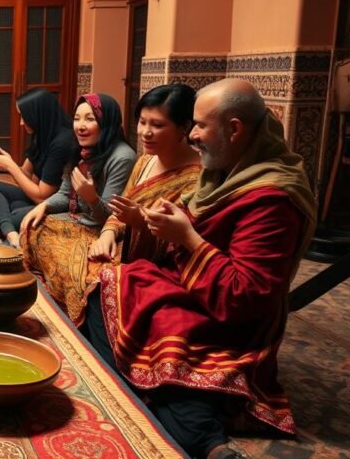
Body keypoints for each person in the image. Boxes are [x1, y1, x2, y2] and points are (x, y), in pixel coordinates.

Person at [83, 79, 317, 459]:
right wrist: (163, 227)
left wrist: (188, 239)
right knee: (108, 285)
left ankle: (201, 436)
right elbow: (189, 229)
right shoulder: (226, 170)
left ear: (235, 129)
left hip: (230, 321)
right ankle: (151, 392)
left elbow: (245, 297)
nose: (192, 136)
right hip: (193, 286)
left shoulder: (271, 197)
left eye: (199, 126)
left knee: (145, 319)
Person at [41, 85, 202, 325]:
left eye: (157, 125)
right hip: (116, 240)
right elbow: (120, 207)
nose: (145, 132)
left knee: (90, 276)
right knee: (43, 230)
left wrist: (134, 220)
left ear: (184, 128)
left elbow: (177, 243)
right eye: (142, 122)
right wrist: (107, 233)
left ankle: (88, 327)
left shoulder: (196, 178)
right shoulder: (146, 160)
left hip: (149, 264)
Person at [19, 93, 136, 322]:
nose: (81, 126)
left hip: (100, 231)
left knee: (71, 262)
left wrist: (91, 197)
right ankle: (53, 280)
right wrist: (42, 206)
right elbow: (64, 193)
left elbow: (111, 217)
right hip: (79, 219)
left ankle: (72, 304)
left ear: (106, 122)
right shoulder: (81, 150)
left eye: (90, 119)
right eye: (77, 119)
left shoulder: (122, 157)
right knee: (34, 223)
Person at [0, 88, 74, 247]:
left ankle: (6, 228)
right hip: (37, 198)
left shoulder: (62, 143)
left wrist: (12, 168)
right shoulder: (42, 134)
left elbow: (42, 197)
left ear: (38, 115)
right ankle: (11, 233)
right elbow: (26, 173)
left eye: (24, 117)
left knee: (14, 215)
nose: (21, 122)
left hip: (54, 206)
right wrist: (10, 165)